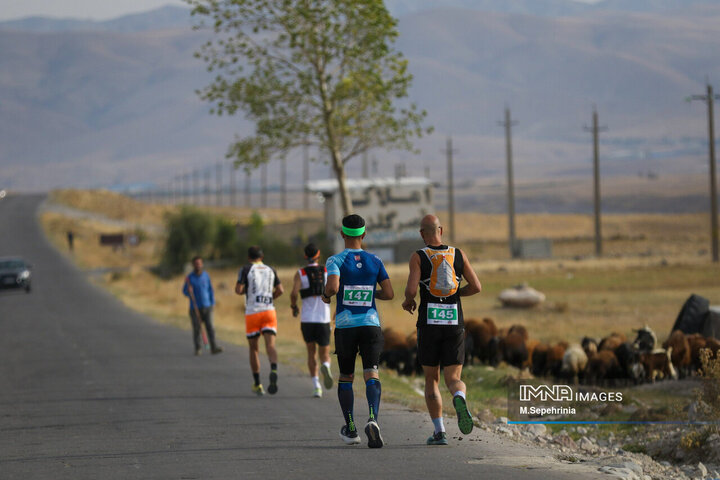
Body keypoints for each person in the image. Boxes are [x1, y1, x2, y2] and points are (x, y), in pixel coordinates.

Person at [401, 215, 482, 446]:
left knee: (431, 378)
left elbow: (410, 289)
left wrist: (408, 301)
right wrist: (457, 295)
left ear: (421, 233)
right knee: (453, 377)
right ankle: (459, 396)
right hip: (455, 322)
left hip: (429, 323)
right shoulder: (458, 254)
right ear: (441, 230)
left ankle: (439, 432)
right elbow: (476, 286)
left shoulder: (418, 256)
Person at [322, 214, 394, 448]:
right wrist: (370, 294)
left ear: (342, 234)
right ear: (363, 235)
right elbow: (389, 293)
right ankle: (373, 418)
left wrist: (325, 295)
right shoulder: (375, 260)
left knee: (346, 376)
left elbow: (333, 287)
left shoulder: (336, 260)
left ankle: (351, 428)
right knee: (371, 373)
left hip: (346, 326)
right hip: (371, 324)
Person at [235, 246, 283, 396]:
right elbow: (280, 290)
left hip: (253, 312)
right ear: (261, 257)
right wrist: (270, 299)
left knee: (254, 349)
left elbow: (238, 289)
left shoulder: (245, 269)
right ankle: (273, 368)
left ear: (249, 258)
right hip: (269, 310)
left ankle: (257, 384)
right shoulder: (271, 269)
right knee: (270, 345)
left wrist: (245, 291)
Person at [290, 243, 334, 398]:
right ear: (319, 254)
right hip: (323, 319)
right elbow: (335, 288)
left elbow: (294, 293)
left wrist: (294, 306)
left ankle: (316, 386)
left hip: (307, 320)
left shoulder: (300, 273)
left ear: (305, 256)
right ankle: (326, 366)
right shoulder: (327, 271)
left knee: (311, 353)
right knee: (325, 352)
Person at [182, 256, 223, 356]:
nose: (198, 265)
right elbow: (184, 291)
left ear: (202, 264)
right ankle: (198, 348)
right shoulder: (189, 278)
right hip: (194, 307)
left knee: (210, 327)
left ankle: (213, 347)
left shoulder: (206, 276)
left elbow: (210, 290)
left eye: (199, 263)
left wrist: (212, 303)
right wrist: (189, 291)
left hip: (207, 306)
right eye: (196, 264)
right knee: (197, 328)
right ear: (193, 265)